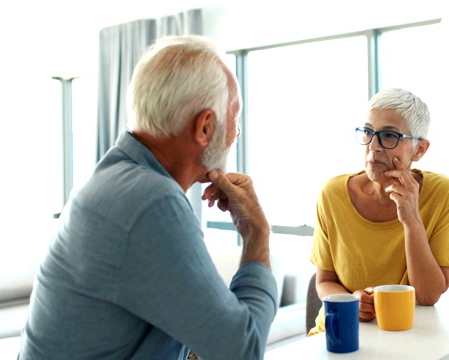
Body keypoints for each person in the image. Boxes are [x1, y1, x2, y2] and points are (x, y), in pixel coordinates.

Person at [18, 35, 277, 359]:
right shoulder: (152, 203)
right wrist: (257, 234)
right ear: (205, 128)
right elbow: (242, 351)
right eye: (234, 118)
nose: (236, 132)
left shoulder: (109, 179)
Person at [308, 88, 449, 335]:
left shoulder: (443, 194)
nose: (374, 147)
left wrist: (411, 219)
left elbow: (429, 295)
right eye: (368, 132)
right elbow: (324, 282)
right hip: (337, 334)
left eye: (389, 135)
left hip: (403, 337)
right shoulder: (332, 194)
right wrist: (352, 302)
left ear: (420, 150)